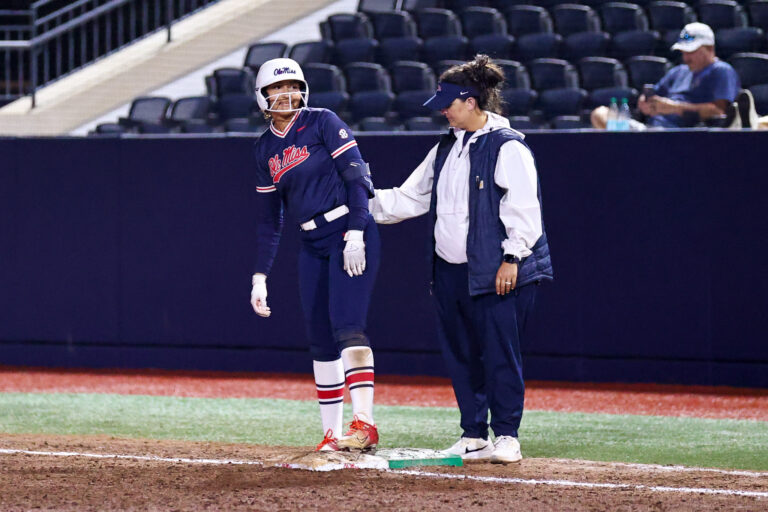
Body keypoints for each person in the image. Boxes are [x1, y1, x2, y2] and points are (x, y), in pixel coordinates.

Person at [369, 55, 553, 464]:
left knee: (501, 354)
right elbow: (409, 197)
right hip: (450, 272)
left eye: (449, 103)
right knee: (462, 354)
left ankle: (506, 435)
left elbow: (525, 210)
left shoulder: (508, 147)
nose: (443, 111)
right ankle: (474, 435)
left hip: (498, 270)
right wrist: (361, 202)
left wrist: (512, 258)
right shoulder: (445, 147)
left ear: (471, 102)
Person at [249, 58, 380, 452]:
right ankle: (332, 434)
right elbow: (270, 221)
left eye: (292, 84)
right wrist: (260, 276)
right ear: (263, 95)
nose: (286, 93)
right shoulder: (263, 149)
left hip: (346, 230)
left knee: (347, 327)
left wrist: (356, 231)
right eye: (277, 87)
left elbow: (358, 179)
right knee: (320, 340)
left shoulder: (322, 121)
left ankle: (365, 425)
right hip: (310, 242)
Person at [591, 22, 740, 130]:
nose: (686, 57)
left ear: (710, 48)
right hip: (651, 129)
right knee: (600, 114)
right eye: (684, 52)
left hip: (684, 134)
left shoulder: (721, 71)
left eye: (692, 51)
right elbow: (654, 96)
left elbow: (720, 112)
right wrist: (646, 104)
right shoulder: (678, 71)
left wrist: (674, 108)